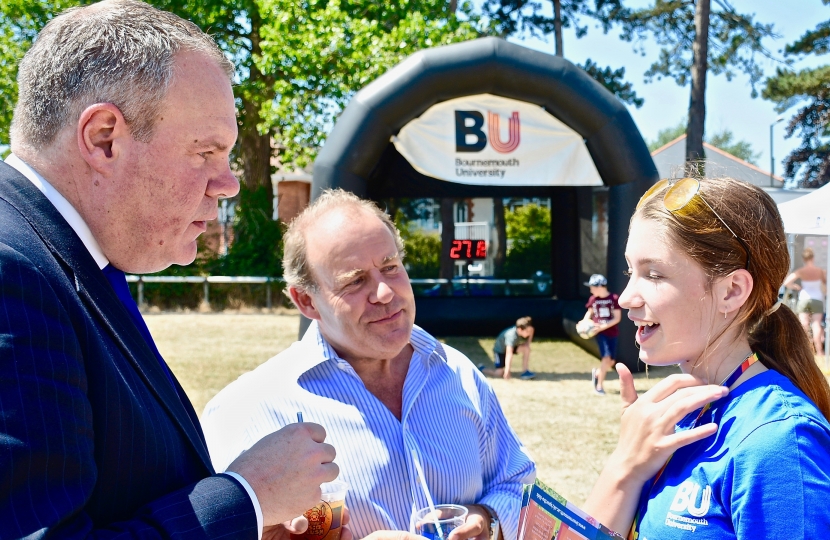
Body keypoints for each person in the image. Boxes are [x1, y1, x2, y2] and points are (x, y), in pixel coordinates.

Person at [0, 2, 339, 537]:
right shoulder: (13, 272)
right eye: (206, 152)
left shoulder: (59, 260)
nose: (228, 184)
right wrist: (245, 499)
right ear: (104, 137)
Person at [201, 190, 536, 540]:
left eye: (390, 267)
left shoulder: (458, 372)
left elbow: (517, 482)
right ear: (305, 300)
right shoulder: (248, 410)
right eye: (355, 281)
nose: (385, 293)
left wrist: (489, 519)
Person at [581, 176, 830, 538]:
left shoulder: (778, 440)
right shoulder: (680, 412)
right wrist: (627, 466)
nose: (625, 298)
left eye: (653, 274)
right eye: (629, 271)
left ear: (731, 291)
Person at [580, 274, 621, 394]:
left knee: (611, 362)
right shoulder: (593, 299)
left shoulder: (613, 298)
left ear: (599, 287)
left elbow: (617, 318)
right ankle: (599, 387)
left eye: (592, 287)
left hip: (611, 332)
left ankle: (597, 373)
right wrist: (584, 322)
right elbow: (589, 313)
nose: (590, 290)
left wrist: (603, 326)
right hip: (599, 333)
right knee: (606, 358)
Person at [783, 247, 827, 356]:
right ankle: (819, 351)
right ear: (813, 258)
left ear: (803, 259)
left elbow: (786, 282)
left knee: (803, 325)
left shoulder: (801, 271)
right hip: (817, 299)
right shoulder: (820, 271)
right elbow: (825, 283)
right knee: (816, 325)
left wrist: (795, 286)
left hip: (804, 299)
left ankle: (804, 351)